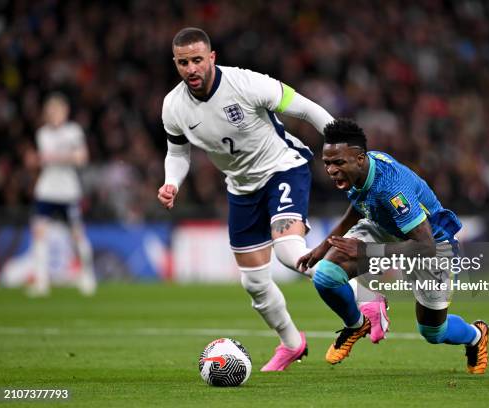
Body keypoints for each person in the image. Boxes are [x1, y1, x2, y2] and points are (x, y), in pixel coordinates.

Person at [157, 28, 391, 371]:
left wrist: (343, 149)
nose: (191, 69)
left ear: (212, 58)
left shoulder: (247, 84)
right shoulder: (173, 106)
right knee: (253, 282)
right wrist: (171, 183)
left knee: (288, 251)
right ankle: (292, 343)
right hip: (241, 188)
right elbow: (177, 154)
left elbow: (308, 110)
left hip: (283, 168)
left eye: (196, 60)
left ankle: (368, 298)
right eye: (183, 62)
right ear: (175, 64)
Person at [298, 119, 489, 374]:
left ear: (359, 158)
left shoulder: (391, 189)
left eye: (338, 163)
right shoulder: (359, 169)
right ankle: (356, 325)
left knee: (433, 331)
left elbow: (425, 245)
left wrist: (365, 252)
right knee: (326, 274)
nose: (331, 170)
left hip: (432, 244)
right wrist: (323, 247)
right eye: (327, 163)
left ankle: (476, 335)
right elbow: (357, 207)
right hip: (384, 228)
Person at [29, 93, 96, 297]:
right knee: (40, 234)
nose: (54, 115)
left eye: (57, 111)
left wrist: (53, 157)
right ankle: (41, 281)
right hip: (47, 190)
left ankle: (87, 276)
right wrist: (61, 157)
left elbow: (81, 158)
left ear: (65, 112)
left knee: (77, 235)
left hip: (68, 191)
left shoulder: (73, 131)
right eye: (51, 112)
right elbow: (47, 159)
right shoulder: (42, 134)